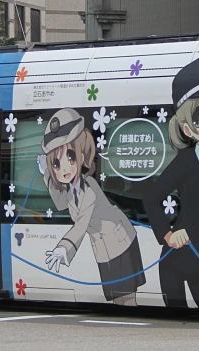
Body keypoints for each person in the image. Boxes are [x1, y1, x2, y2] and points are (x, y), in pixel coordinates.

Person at [143, 55, 199, 309]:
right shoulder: (184, 161)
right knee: (179, 324)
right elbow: (150, 197)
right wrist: (168, 235)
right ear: (186, 127)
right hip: (174, 261)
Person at [38, 108, 145, 306]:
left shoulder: (89, 188)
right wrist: (46, 176)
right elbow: (61, 204)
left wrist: (64, 248)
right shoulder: (72, 188)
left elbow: (81, 224)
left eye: (71, 157)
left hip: (120, 242)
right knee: (118, 299)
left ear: (83, 152)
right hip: (104, 248)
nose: (64, 169)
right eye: (56, 164)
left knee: (126, 299)